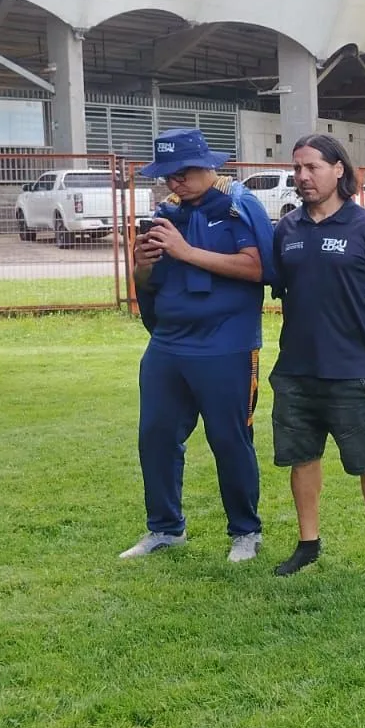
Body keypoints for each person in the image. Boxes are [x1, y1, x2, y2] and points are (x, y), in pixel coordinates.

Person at [121, 128, 274, 564]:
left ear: (207, 165)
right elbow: (147, 284)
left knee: (229, 438)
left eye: (182, 173)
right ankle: (165, 529)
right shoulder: (165, 213)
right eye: (166, 176)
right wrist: (142, 266)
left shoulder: (237, 205)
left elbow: (258, 266)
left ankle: (246, 532)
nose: (174, 183)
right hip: (169, 343)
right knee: (156, 435)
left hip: (226, 343)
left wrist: (185, 252)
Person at [269, 134, 365, 576]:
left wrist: (359, 328)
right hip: (295, 368)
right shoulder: (286, 229)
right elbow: (282, 291)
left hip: (352, 369)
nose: (302, 177)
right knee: (302, 457)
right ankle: (308, 544)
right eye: (297, 168)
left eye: (312, 167)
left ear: (338, 170)